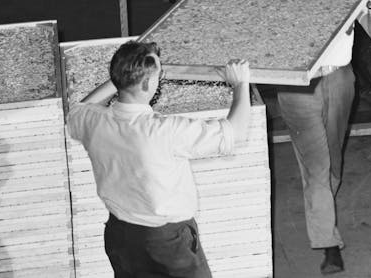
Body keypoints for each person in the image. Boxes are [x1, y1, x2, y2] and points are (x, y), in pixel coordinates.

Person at [66, 39, 251, 278]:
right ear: (145, 84)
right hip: (167, 242)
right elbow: (235, 132)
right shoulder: (164, 130)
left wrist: (123, 77)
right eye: (157, 75)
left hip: (121, 236)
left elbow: (80, 109)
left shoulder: (94, 121)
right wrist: (240, 84)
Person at [275, 0, 371, 275]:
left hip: (340, 81)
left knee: (332, 161)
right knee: (317, 166)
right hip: (299, 87)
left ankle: (321, 202)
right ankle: (328, 243)